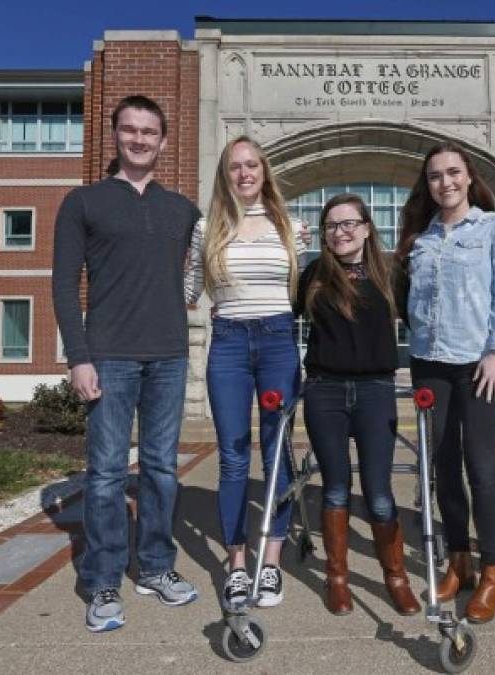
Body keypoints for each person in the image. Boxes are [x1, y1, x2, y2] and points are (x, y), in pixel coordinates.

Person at [53, 95, 201, 633]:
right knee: (108, 474)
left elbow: (223, 249)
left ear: (164, 141)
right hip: (109, 357)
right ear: (115, 136)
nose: (140, 139)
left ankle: (157, 568)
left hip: (168, 355)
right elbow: (64, 286)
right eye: (130, 130)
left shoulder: (183, 210)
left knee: (162, 469)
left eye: (150, 132)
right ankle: (103, 580)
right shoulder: (84, 203)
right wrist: (78, 358)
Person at [395, 141, 495, 624]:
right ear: (427, 185)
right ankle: (459, 560)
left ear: (469, 177)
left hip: (479, 364)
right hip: (430, 362)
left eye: (453, 173)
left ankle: (493, 570)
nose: (444, 182)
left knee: (481, 467)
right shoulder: (421, 239)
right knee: (443, 469)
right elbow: (406, 302)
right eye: (435, 176)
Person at [184, 135, 305, 610]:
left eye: (252, 164)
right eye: (235, 166)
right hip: (229, 344)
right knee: (233, 454)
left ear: (264, 170)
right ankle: (237, 562)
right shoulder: (206, 227)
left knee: (278, 452)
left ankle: (270, 560)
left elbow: (312, 289)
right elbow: (188, 289)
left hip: (277, 341)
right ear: (225, 174)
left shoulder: (290, 225)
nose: (244, 173)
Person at [296, 193, 420, 616]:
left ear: (368, 227)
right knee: (334, 489)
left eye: (349, 223)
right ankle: (338, 578)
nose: (341, 232)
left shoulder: (391, 274)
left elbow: (423, 319)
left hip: (375, 392)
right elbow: (281, 312)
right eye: (332, 225)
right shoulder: (314, 273)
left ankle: (396, 578)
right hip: (324, 391)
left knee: (380, 493)